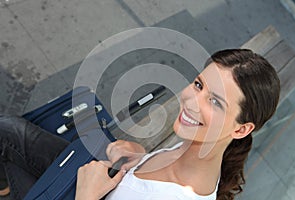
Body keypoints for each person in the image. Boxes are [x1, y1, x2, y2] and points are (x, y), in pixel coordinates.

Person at [0, 49, 280, 200]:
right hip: (85, 178)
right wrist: (141, 156)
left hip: (81, 191)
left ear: (242, 129)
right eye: (198, 85)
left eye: (215, 102)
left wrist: (86, 196)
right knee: (8, 130)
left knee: (9, 151)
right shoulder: (194, 151)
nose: (191, 100)